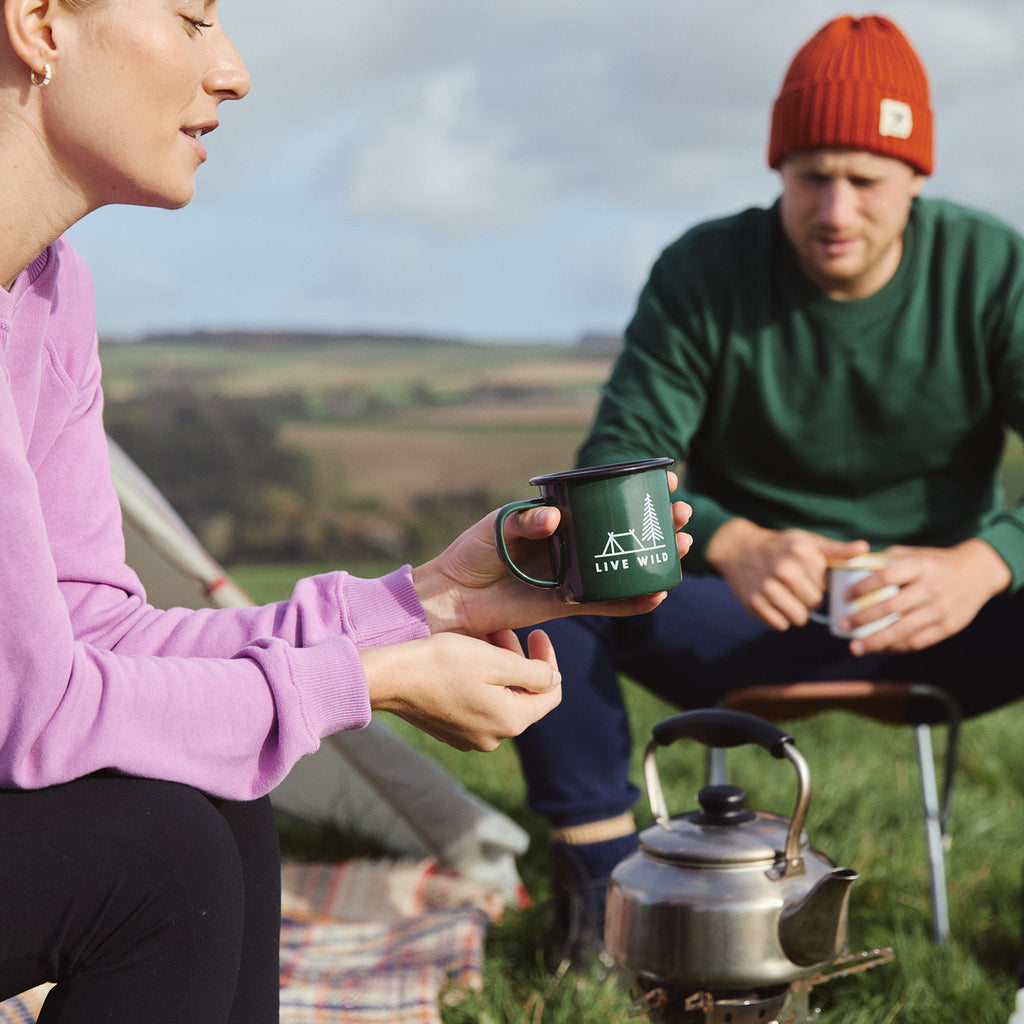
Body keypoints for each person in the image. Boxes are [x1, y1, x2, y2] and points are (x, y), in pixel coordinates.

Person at [0, 2, 693, 1021]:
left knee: (215, 799)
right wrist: (373, 678)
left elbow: (98, 632)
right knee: (160, 862)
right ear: (42, 23)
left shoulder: (46, 294)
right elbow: (37, 716)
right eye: (192, 17)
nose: (231, 70)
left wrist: (427, 604)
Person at [512, 12, 1024, 972]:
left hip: (947, 619)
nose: (836, 210)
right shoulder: (705, 271)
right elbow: (623, 455)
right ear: (777, 172)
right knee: (556, 566)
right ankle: (604, 899)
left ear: (917, 178)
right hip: (743, 612)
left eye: (866, 181)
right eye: (811, 177)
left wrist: (986, 560)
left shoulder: (994, 269)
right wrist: (733, 540)